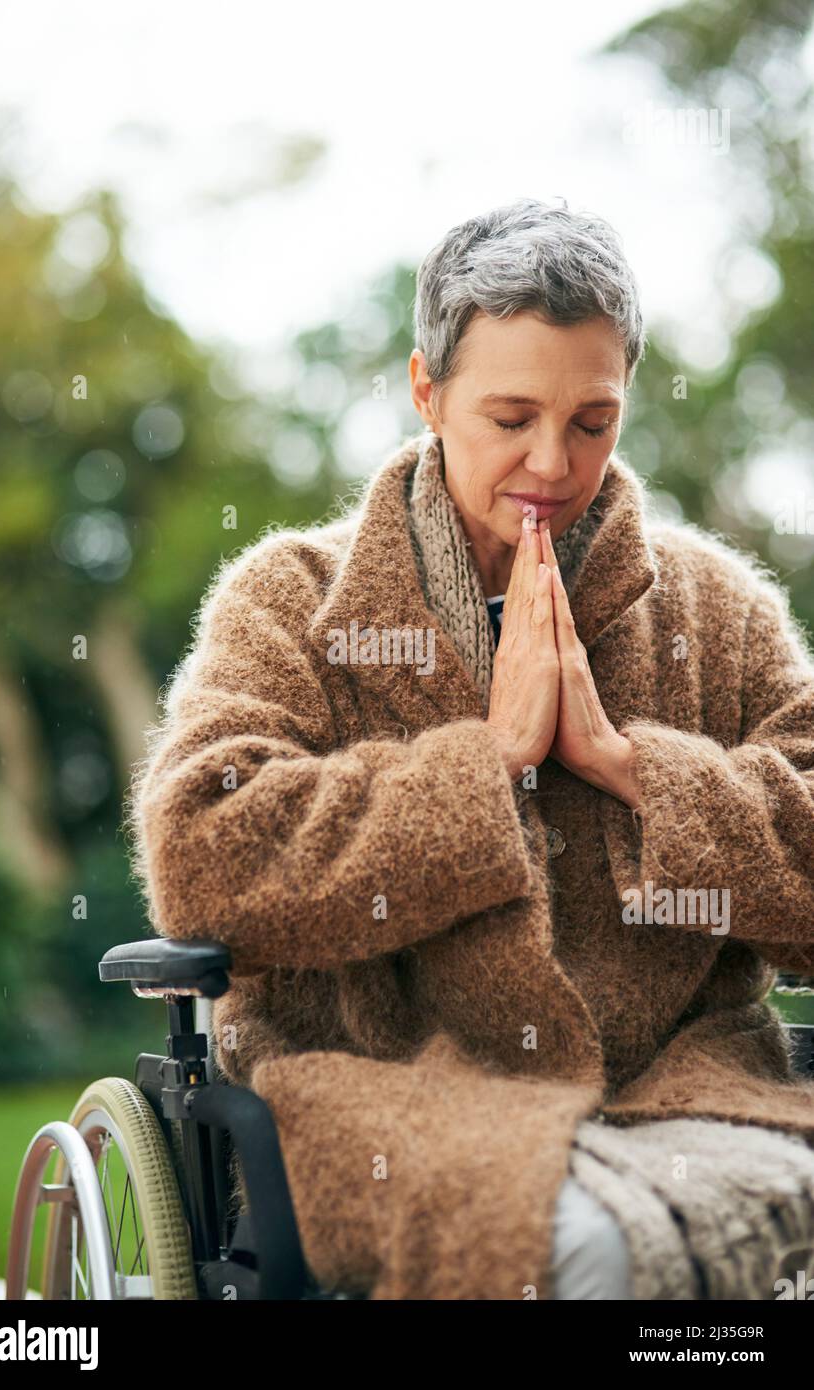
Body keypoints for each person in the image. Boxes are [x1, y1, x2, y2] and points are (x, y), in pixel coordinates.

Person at [129, 196, 814, 1301]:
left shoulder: (719, 611)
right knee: (585, 1249)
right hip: (391, 1095)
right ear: (427, 391)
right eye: (510, 418)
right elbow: (203, 854)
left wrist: (631, 766)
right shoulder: (291, 599)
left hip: (683, 1086)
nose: (553, 461)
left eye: (593, 422)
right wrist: (485, 758)